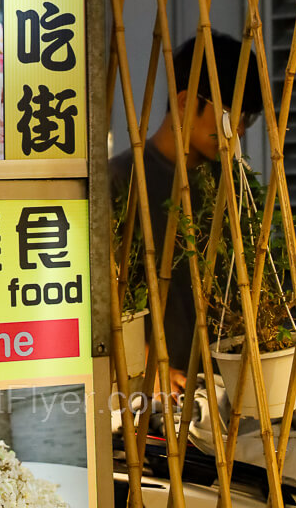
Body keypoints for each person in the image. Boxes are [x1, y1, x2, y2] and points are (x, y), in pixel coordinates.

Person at [109, 32, 263, 400]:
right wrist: (149, 364)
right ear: (184, 101)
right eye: (232, 114)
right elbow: (101, 299)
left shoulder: (232, 185)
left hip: (225, 392)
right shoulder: (121, 181)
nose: (238, 129)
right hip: (149, 397)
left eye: (247, 117)